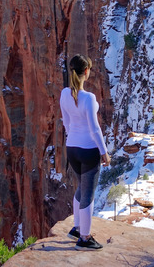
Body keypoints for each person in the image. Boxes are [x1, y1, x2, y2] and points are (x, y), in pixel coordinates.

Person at [60, 54, 111, 250]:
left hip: (72, 148)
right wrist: (104, 152)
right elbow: (94, 128)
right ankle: (84, 238)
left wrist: (73, 136)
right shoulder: (89, 98)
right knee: (88, 193)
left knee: (81, 186)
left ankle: (76, 227)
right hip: (88, 150)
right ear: (86, 71)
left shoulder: (65, 94)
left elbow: (66, 122)